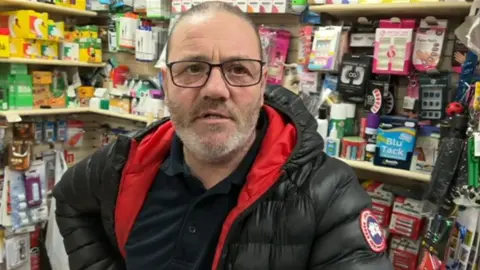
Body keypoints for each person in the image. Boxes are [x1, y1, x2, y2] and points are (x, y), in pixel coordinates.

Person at [53, 2, 394, 270]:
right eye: (193, 68)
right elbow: (68, 198)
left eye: (238, 69)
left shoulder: (329, 196)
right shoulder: (124, 165)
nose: (215, 89)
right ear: (165, 83)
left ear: (262, 84)